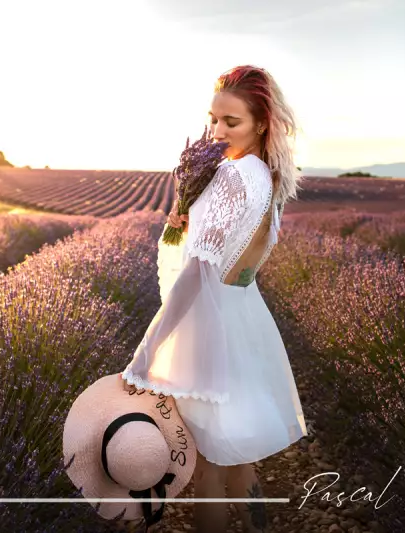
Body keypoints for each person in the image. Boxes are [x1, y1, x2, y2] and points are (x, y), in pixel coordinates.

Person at [121, 65, 308, 533]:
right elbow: (244, 259)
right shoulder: (266, 177)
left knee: (206, 466)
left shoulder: (231, 177)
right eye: (213, 119)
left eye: (232, 122)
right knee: (236, 452)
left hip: (210, 323)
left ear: (261, 123)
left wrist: (148, 350)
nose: (217, 132)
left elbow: (199, 271)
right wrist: (184, 218)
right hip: (244, 317)